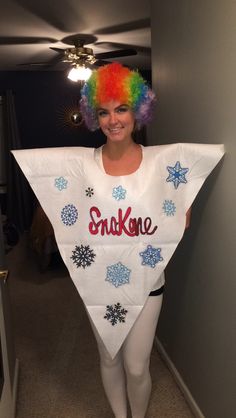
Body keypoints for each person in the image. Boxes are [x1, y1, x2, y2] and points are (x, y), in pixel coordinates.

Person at [12, 62, 224, 418]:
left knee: (137, 367)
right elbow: (45, 172)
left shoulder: (162, 163)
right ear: (94, 116)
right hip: (97, 285)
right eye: (104, 112)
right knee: (108, 358)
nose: (114, 120)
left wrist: (180, 206)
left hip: (148, 282)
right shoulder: (80, 166)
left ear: (138, 111)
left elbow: (190, 182)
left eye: (122, 108)